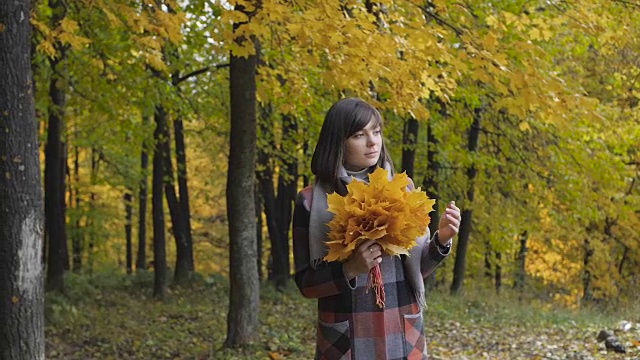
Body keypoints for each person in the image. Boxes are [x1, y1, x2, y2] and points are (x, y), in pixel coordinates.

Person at [292, 97, 461, 360]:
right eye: (360, 134)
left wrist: (442, 240)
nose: (373, 141)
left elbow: (417, 270)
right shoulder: (311, 201)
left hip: (404, 334)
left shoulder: (402, 189)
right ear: (338, 140)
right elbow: (306, 286)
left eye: (377, 131)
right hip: (345, 341)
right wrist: (349, 270)